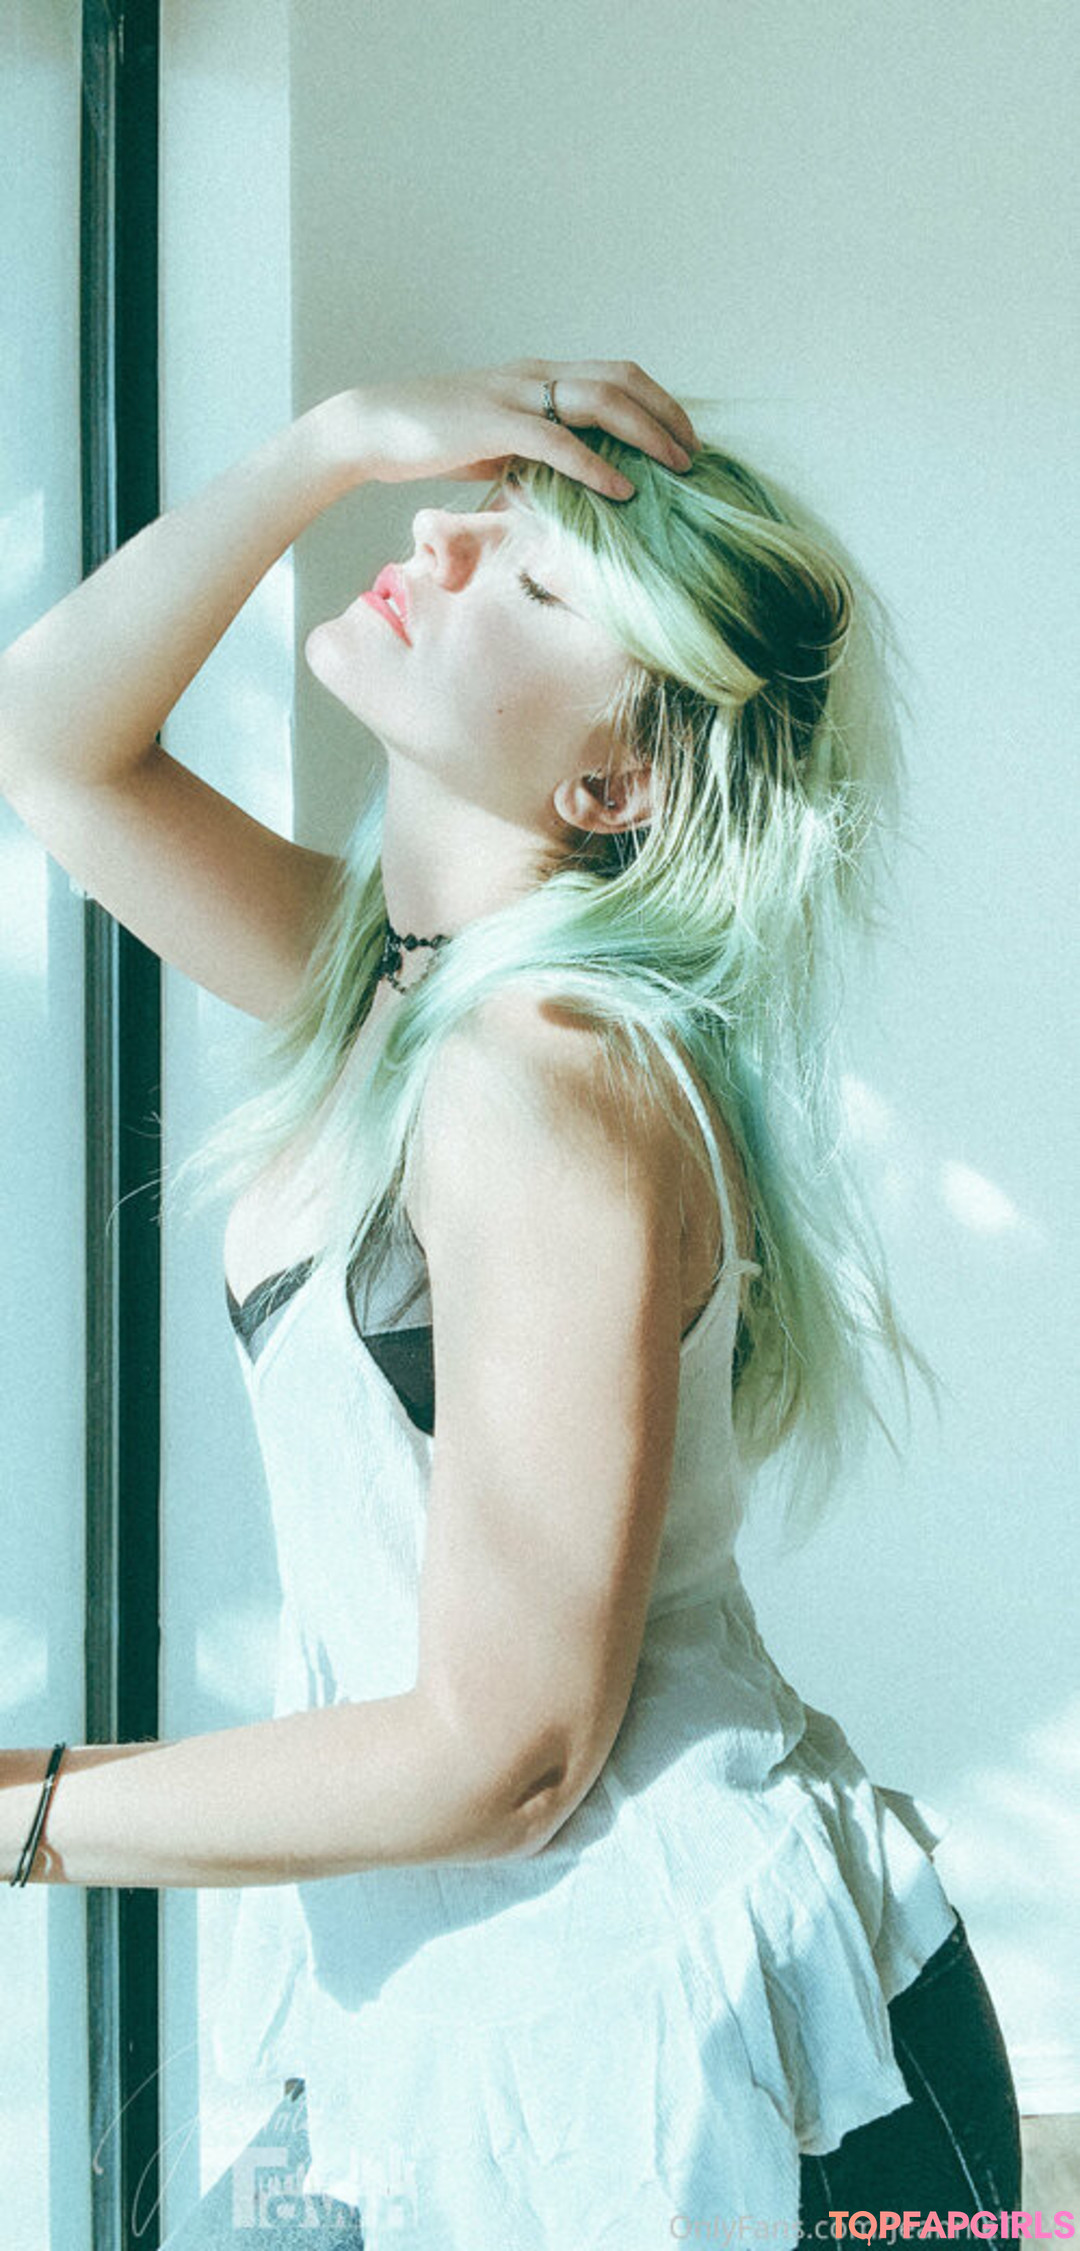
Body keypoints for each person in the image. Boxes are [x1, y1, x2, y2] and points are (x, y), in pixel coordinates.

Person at [0, 360, 1021, 2247]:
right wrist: (325, 447)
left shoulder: (544, 1074)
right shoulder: (395, 992)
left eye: (537, 582)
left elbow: (513, 1749)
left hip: (709, 2059)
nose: (444, 534)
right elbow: (49, 738)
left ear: (611, 782)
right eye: (480, 514)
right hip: (486, 2022)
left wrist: (26, 1812)